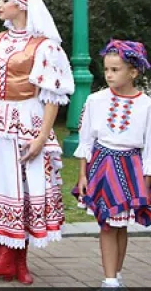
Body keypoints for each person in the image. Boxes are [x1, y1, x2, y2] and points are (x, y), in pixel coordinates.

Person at [0, 0, 74, 285]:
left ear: (21, 6)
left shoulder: (44, 46)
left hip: (29, 119)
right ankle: (5, 257)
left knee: (26, 187)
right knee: (2, 185)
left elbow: (52, 95)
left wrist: (41, 137)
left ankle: (17, 260)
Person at [72, 39, 151, 288]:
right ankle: (109, 281)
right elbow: (86, 140)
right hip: (102, 166)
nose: (108, 75)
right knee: (107, 224)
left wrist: (145, 184)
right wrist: (83, 175)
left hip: (131, 168)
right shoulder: (96, 100)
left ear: (133, 71)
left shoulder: (147, 105)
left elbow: (150, 149)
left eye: (115, 70)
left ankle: (116, 275)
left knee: (120, 225)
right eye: (106, 69)